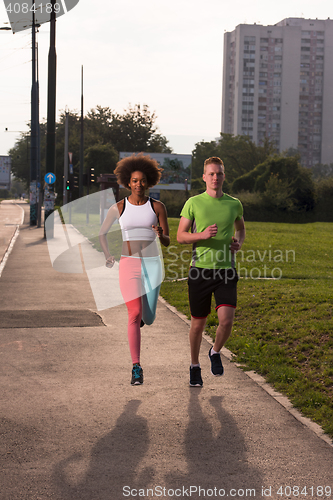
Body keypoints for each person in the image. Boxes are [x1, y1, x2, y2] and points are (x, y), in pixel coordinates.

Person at [99, 154, 170, 385]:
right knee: (134, 314)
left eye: (142, 180)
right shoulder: (119, 207)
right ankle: (136, 367)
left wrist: (161, 234)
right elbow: (102, 233)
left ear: (148, 182)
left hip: (152, 263)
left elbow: (168, 240)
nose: (138, 184)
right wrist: (108, 254)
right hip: (128, 263)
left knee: (148, 317)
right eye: (134, 180)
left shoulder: (157, 207)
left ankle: (144, 319)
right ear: (127, 183)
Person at [177, 156, 245, 387]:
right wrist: (202, 236)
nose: (215, 177)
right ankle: (194, 366)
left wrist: (239, 244)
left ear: (224, 177)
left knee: (226, 321)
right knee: (198, 324)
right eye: (211, 174)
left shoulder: (234, 203)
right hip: (200, 271)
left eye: (219, 173)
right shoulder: (193, 203)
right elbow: (180, 236)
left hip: (226, 270)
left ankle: (215, 352)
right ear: (204, 177)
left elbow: (241, 228)